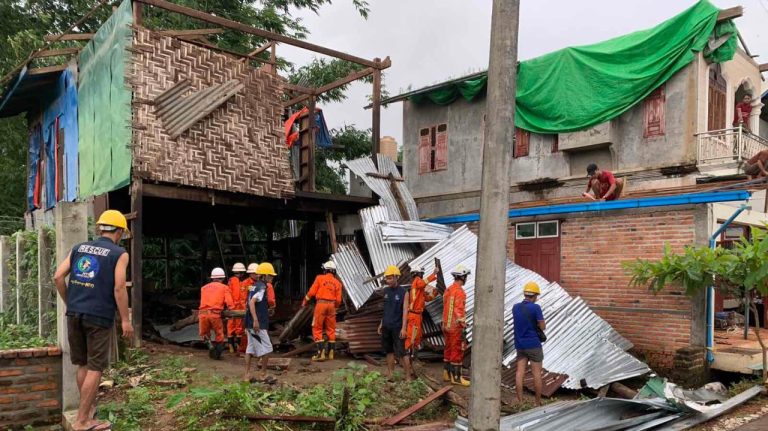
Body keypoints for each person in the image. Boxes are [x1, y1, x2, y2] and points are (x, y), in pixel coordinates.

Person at [53, 210, 133, 431]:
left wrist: (70, 302)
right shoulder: (119, 253)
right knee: (96, 367)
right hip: (99, 316)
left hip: (75, 314)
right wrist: (125, 320)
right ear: (119, 231)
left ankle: (86, 412)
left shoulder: (79, 248)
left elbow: (58, 276)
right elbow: (119, 288)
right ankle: (82, 421)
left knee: (84, 364)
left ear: (100, 228)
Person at [512, 281, 546, 406]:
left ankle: (520, 401)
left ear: (525, 294)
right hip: (533, 344)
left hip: (520, 345)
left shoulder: (515, 307)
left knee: (519, 372)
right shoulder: (536, 308)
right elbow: (542, 327)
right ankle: (537, 402)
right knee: (536, 373)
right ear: (535, 295)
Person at [244, 262, 277, 383]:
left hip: (249, 322)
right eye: (271, 276)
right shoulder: (262, 287)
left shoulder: (253, 286)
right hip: (257, 324)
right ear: (265, 276)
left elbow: (249, 303)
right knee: (268, 348)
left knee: (250, 349)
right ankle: (263, 374)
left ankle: (247, 375)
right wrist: (256, 320)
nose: (272, 278)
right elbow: (252, 302)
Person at [303, 261, 343, 361]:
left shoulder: (319, 278)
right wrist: (335, 307)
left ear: (325, 270)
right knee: (331, 329)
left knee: (317, 328)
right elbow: (338, 300)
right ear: (334, 271)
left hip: (321, 304)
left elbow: (312, 291)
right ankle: (331, 354)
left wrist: (305, 301)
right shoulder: (338, 283)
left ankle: (320, 354)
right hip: (332, 306)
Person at [377, 265, 412, 380]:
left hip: (397, 327)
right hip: (387, 326)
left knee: (403, 352)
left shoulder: (404, 293)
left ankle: (408, 377)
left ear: (397, 277)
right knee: (389, 351)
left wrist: (404, 328)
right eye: (387, 278)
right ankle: (390, 374)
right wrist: (382, 323)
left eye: (390, 278)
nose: (388, 281)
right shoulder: (386, 291)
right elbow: (386, 309)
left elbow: (405, 311)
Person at [404, 265, 440, 376]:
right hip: (414, 316)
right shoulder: (417, 281)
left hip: (417, 316)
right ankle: (408, 363)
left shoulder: (419, 288)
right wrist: (434, 274)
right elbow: (422, 283)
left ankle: (414, 361)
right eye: (421, 273)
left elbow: (426, 298)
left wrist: (434, 293)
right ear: (418, 273)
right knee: (411, 339)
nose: (422, 275)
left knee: (417, 339)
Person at [442, 265, 470, 386]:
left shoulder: (448, 290)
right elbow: (458, 309)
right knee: (457, 350)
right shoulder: (460, 292)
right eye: (466, 277)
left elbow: (445, 306)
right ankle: (457, 378)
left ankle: (446, 374)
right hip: (455, 326)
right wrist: (463, 323)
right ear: (462, 277)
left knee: (448, 349)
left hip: (445, 325)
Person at [199, 267, 235, 360]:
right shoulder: (224, 288)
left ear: (212, 278)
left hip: (202, 313)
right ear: (222, 279)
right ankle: (217, 354)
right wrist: (231, 310)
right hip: (215, 314)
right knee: (219, 334)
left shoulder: (203, 288)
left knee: (204, 333)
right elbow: (229, 303)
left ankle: (209, 345)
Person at [227, 262, 248, 353]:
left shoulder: (231, 281)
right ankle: (237, 346)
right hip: (238, 307)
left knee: (231, 327)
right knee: (238, 328)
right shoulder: (238, 282)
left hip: (232, 307)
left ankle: (231, 346)